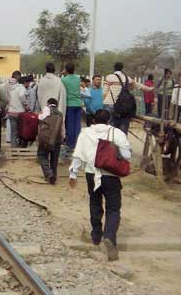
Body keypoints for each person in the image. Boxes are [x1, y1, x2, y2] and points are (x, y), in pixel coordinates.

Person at [69, 109, 131, 261]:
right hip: (110, 176)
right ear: (109, 120)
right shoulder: (117, 133)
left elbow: (78, 155)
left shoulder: (85, 133)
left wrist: (73, 174)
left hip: (91, 174)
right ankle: (109, 237)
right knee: (113, 208)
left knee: (95, 203)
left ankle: (96, 236)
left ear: (94, 120)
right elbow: (127, 155)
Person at [103, 62, 153, 134]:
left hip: (110, 104)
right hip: (123, 106)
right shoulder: (127, 78)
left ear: (114, 68)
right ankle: (121, 139)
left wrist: (103, 102)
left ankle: (111, 141)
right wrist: (150, 89)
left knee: (110, 128)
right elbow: (139, 86)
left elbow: (105, 92)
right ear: (122, 68)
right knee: (123, 125)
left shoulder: (109, 77)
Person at [37, 98, 64, 184]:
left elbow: (41, 120)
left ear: (48, 103)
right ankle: (54, 176)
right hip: (57, 139)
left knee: (41, 155)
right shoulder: (60, 114)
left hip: (46, 139)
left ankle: (48, 173)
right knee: (54, 159)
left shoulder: (46, 110)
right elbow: (62, 127)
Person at [61, 63, 82, 152]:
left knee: (69, 125)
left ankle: (70, 144)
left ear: (66, 70)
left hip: (69, 104)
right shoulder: (78, 78)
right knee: (77, 125)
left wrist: (62, 74)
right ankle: (77, 143)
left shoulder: (64, 80)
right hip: (78, 104)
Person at [7, 77, 30, 148]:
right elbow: (21, 95)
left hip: (11, 112)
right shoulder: (21, 88)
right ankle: (21, 146)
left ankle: (13, 148)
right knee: (21, 131)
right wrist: (26, 105)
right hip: (20, 113)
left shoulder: (10, 88)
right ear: (24, 83)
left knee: (13, 132)